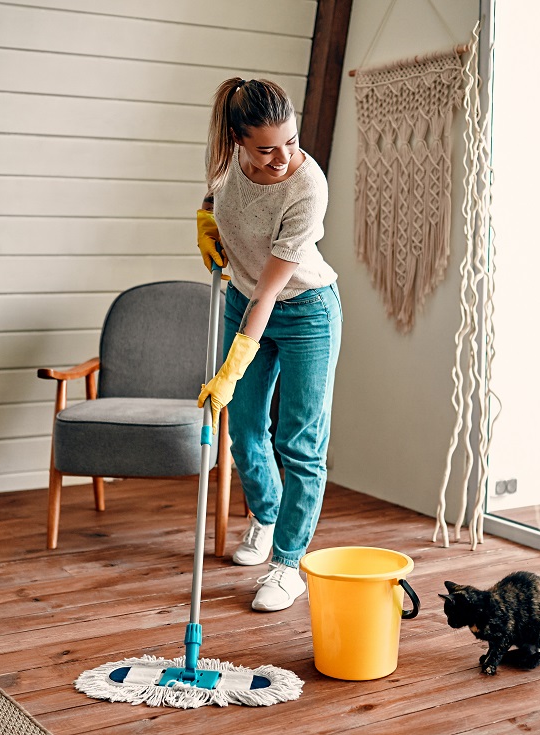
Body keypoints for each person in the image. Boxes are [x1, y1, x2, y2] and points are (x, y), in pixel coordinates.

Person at [196, 78, 342, 612]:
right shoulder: (223, 161)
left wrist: (232, 366)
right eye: (266, 148)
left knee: (299, 442)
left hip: (304, 311)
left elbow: (270, 291)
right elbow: (216, 200)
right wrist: (205, 222)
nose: (283, 157)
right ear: (239, 141)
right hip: (242, 299)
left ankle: (287, 563)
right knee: (247, 430)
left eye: (292, 141)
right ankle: (266, 514)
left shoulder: (308, 187)